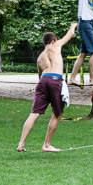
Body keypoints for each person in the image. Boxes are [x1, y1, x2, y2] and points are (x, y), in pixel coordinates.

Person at [17, 22, 77, 152]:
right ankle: (47, 144)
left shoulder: (40, 58)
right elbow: (70, 35)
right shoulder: (55, 46)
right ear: (53, 40)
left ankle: (21, 143)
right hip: (55, 80)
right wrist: (73, 25)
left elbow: (40, 77)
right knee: (57, 113)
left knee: (34, 113)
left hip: (43, 81)